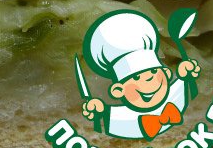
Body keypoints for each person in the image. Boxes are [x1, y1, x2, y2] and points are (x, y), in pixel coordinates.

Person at [81, 10, 201, 140]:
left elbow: (182, 86)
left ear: (166, 73)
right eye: (137, 77)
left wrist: (185, 74)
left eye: (154, 72)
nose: (148, 81)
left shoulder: (174, 97)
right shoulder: (122, 117)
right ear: (118, 90)